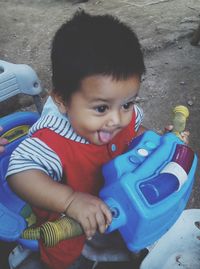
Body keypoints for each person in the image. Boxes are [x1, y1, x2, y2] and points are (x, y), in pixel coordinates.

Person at [6, 11, 146, 269]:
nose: (117, 119)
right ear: (61, 100)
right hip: (66, 229)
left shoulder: (125, 117)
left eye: (127, 103)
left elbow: (137, 130)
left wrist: (155, 145)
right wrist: (70, 200)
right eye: (101, 108)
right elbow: (19, 173)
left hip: (112, 213)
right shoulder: (53, 140)